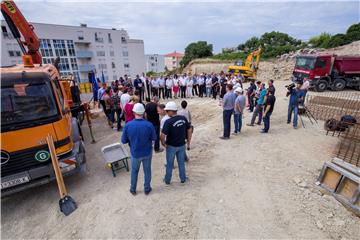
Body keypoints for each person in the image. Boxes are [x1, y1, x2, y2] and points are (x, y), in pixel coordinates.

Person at [121, 103, 156, 195]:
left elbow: (123, 141)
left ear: (133, 112)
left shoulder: (128, 125)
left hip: (135, 153)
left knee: (134, 171)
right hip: (147, 152)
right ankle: (147, 188)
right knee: (147, 171)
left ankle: (133, 189)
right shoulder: (149, 125)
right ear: (144, 112)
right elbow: (154, 138)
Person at [160, 102, 192, 184]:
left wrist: (163, 144)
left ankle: (167, 180)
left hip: (171, 146)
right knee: (181, 163)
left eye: (167, 111)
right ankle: (183, 178)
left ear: (171, 111)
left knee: (169, 164)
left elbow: (162, 135)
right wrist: (188, 140)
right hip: (181, 145)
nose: (166, 112)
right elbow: (189, 129)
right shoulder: (183, 118)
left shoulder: (168, 121)